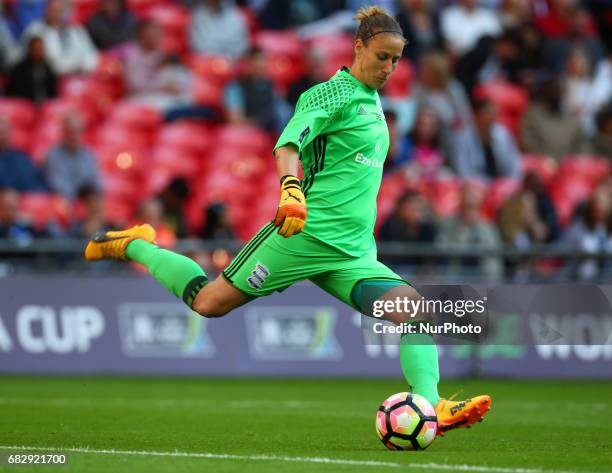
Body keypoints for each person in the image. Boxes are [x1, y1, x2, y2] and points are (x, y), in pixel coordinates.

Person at [84, 6, 491, 434]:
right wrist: (290, 189)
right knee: (207, 303)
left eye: (396, 59)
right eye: (381, 56)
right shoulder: (330, 94)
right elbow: (287, 145)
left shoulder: (374, 103)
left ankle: (430, 406)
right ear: (358, 47)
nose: (389, 67)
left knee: (417, 312)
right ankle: (133, 243)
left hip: (352, 255)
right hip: (301, 237)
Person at [20, 0, 98, 75]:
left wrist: (82, 68)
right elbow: (49, 63)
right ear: (44, 10)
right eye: (51, 9)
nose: (55, 13)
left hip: (80, 78)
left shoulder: (77, 30)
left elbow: (92, 56)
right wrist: (69, 70)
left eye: (58, 10)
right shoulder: (35, 30)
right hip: (49, 80)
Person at [44, 113, 101, 200]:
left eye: (78, 132)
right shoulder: (53, 156)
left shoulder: (89, 155)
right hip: (64, 204)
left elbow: (96, 182)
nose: (74, 136)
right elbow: (58, 187)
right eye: (71, 132)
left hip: (86, 203)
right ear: (63, 133)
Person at [0, 117, 48, 192]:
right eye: (1, 132)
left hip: (30, 195)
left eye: (6, 131)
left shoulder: (21, 156)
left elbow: (35, 181)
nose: (4, 136)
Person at [6, 35, 57, 104]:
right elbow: (14, 94)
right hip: (25, 105)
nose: (38, 52)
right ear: (29, 49)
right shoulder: (19, 70)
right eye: (36, 49)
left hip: (45, 105)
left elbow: (53, 91)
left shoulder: (47, 67)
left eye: (40, 49)